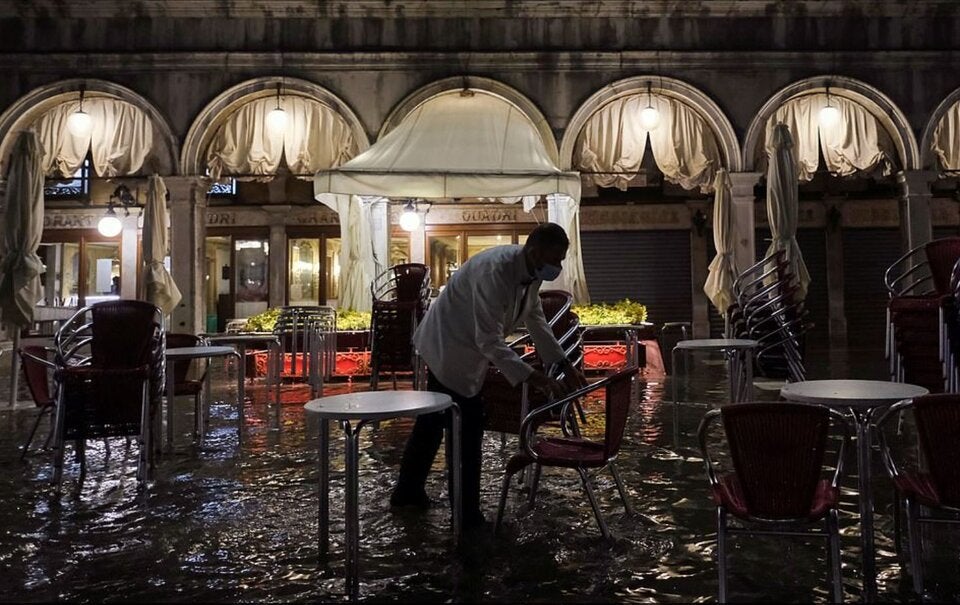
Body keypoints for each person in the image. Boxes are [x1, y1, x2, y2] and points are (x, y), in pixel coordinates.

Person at [390, 222, 585, 528]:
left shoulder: (530, 273)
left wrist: (562, 363)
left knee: (432, 423)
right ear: (534, 252)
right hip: (448, 347)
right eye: (555, 259)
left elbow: (535, 318)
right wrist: (536, 378)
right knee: (466, 429)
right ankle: (466, 515)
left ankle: (407, 493)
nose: (557, 267)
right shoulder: (494, 273)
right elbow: (489, 341)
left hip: (462, 350)